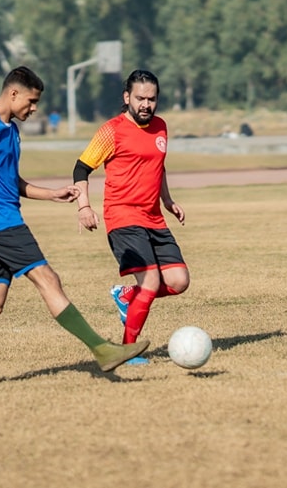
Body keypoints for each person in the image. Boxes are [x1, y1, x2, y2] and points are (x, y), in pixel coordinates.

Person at [0, 66, 148, 389]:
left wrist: (51, 194)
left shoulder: (11, 131)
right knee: (48, 279)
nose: (33, 109)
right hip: (1, 224)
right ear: (13, 93)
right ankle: (102, 349)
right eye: (31, 102)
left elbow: (12, 182)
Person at [72, 69, 189, 366]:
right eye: (140, 99)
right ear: (127, 98)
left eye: (152, 99)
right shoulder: (111, 130)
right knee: (150, 282)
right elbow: (81, 168)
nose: (146, 105)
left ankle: (127, 296)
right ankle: (127, 349)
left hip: (153, 218)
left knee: (178, 281)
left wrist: (168, 200)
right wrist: (84, 207)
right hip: (123, 217)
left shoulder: (161, 127)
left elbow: (158, 166)